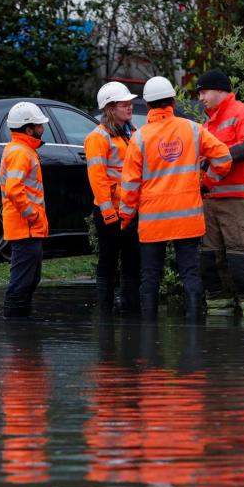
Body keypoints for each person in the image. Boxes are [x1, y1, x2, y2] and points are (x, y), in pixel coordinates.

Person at [119, 76, 233, 320]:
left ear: (148, 105)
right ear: (172, 100)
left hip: (153, 222)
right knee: (190, 274)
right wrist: (207, 181)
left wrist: (125, 218)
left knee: (150, 276)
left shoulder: (139, 138)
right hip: (187, 219)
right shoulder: (192, 129)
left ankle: (148, 337)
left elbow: (129, 185)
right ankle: (194, 333)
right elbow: (224, 158)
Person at [195, 68, 244, 318]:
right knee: (209, 262)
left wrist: (217, 155)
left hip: (237, 202)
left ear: (220, 90)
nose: (201, 97)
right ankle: (218, 318)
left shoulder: (241, 113)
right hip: (210, 199)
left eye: (204, 91)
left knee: (240, 261)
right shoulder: (207, 122)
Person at [84, 81, 141, 315]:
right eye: (124, 104)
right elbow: (97, 179)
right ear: (109, 108)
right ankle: (105, 310)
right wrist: (108, 212)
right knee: (108, 261)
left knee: (132, 261)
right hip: (110, 211)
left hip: (131, 209)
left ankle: (129, 306)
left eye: (130, 103)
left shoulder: (132, 133)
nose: (129, 107)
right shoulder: (98, 138)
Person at [1, 102, 50, 318]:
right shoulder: (21, 152)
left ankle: (20, 328)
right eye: (39, 125)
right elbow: (14, 189)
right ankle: (16, 330)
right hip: (26, 227)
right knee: (22, 281)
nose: (42, 128)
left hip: (27, 227)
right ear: (28, 128)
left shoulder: (21, 149)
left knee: (29, 279)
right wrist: (32, 214)